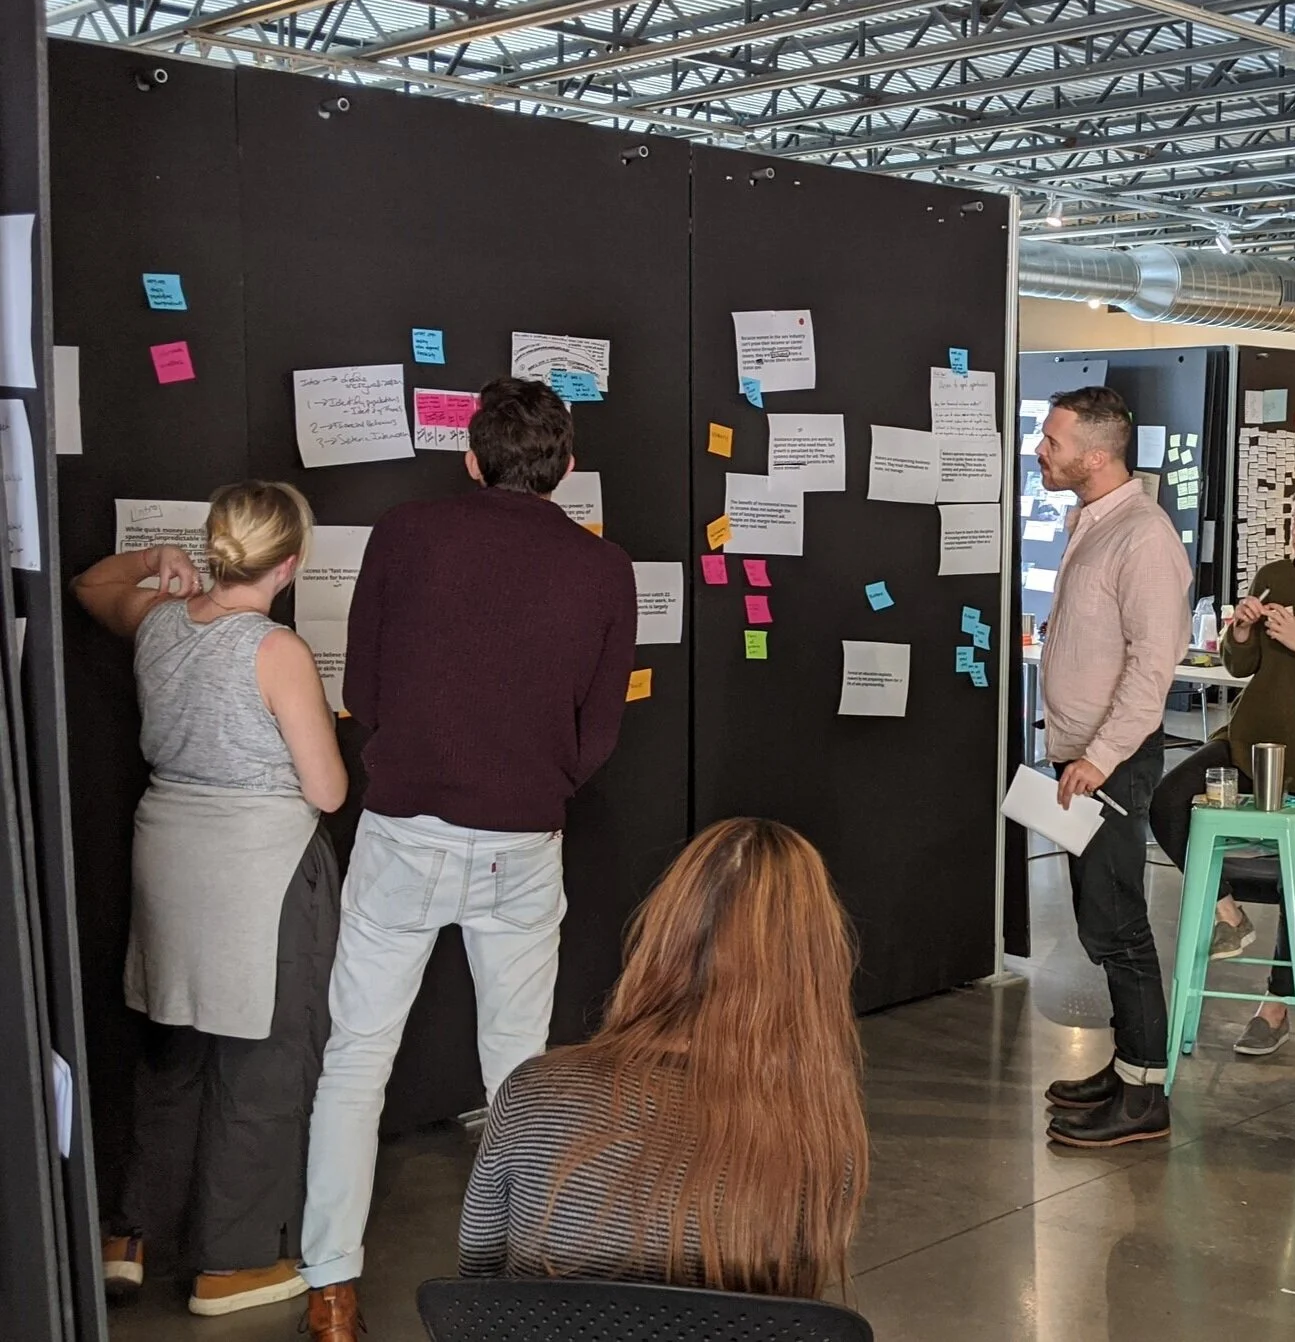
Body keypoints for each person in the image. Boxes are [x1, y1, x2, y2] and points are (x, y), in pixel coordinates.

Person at [300, 378, 638, 1341]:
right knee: (518, 1070)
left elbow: (364, 688)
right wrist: (539, 779)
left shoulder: (405, 533)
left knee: (355, 1061)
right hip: (522, 838)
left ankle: (331, 1291)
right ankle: (526, 1271)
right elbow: (599, 731)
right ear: (566, 467)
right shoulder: (603, 567)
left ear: (470, 457)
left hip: (404, 827)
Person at [74, 483, 349, 1318]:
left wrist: (155, 561)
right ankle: (233, 1263)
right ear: (289, 564)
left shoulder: (158, 620)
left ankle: (131, 1236)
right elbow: (327, 791)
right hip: (258, 870)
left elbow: (89, 585)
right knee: (262, 1063)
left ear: (214, 546)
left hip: (167, 855)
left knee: (173, 1049)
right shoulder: (277, 650)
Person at [458, 818, 867, 1294]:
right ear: (815, 968)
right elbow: (788, 1310)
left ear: (661, 934)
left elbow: (477, 1287)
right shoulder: (820, 1134)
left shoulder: (532, 1091)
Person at [1149, 475, 1295, 1058]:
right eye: (1294, 520)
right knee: (1168, 802)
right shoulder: (1274, 576)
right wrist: (1243, 630)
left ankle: (1275, 1008)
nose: (1294, 532)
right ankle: (1228, 912)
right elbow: (1240, 666)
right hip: (1248, 743)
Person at [1033, 385, 1192, 1149]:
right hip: (1082, 759)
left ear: (1096, 457)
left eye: (1052, 441)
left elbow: (1152, 666)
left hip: (1110, 763)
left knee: (1120, 926)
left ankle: (1145, 1094)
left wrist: (1098, 757)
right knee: (1099, 921)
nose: (1041, 451)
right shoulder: (1093, 521)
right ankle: (1128, 1065)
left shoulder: (1143, 537)